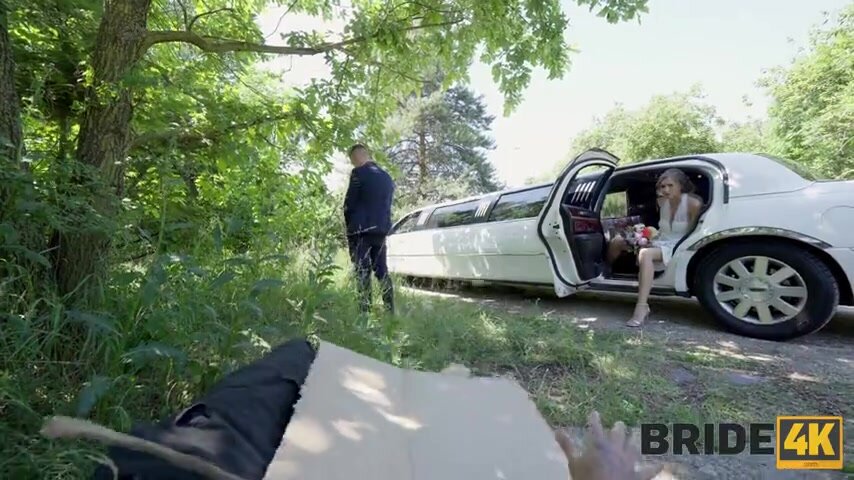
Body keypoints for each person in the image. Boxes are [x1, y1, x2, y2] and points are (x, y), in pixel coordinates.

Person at [607, 168, 702, 327]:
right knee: (617, 240)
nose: (666, 190)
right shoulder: (661, 202)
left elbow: (695, 233)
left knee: (645, 253)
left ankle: (642, 306)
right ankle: (603, 275)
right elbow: (662, 231)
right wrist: (647, 237)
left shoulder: (693, 203)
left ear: (681, 185)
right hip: (660, 241)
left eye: (670, 185)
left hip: (679, 245)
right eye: (663, 186)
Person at [343, 143, 396, 314]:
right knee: (382, 271)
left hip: (361, 232)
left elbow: (349, 204)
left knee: (363, 271)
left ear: (357, 157)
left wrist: (349, 230)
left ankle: (364, 313)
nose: (353, 164)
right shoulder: (387, 177)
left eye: (353, 160)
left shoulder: (358, 173)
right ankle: (390, 311)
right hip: (381, 231)